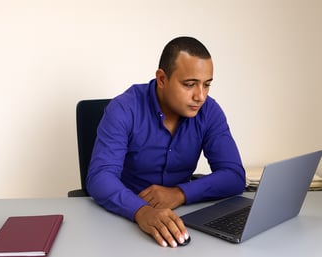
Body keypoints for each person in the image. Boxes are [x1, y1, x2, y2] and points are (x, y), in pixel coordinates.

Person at [86, 36, 246, 247]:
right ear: (162, 79)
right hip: (123, 219)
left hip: (183, 220)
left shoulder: (209, 111)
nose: (200, 96)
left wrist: (180, 193)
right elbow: (100, 176)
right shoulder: (123, 109)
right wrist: (142, 211)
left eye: (207, 85)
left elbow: (234, 176)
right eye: (190, 84)